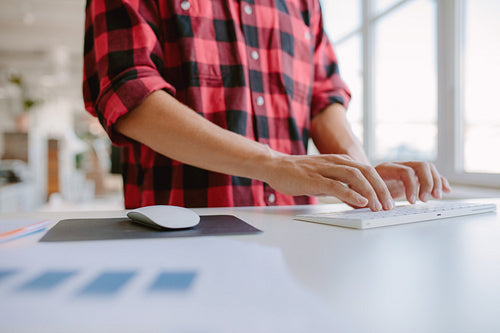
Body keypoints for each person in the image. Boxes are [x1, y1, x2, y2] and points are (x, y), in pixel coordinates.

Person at [83, 0, 451, 211]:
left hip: (298, 239)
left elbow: (324, 97)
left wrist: (363, 175)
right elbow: (129, 94)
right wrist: (274, 165)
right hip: (183, 233)